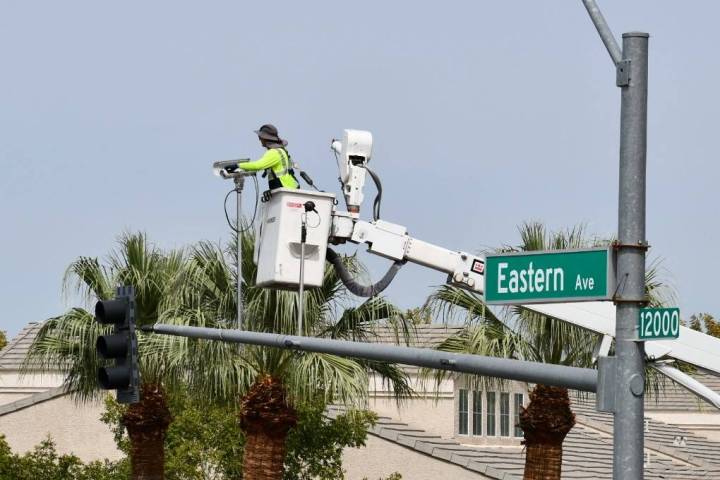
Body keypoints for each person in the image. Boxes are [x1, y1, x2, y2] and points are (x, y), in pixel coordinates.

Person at [232, 124, 300, 189]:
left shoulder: (273, 153)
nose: (259, 140)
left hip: (284, 186)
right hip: (288, 186)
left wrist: (238, 166)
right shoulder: (281, 150)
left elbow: (257, 166)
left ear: (265, 138)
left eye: (260, 137)